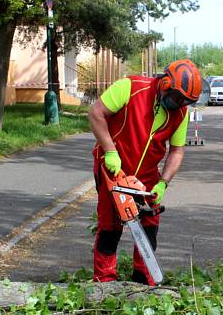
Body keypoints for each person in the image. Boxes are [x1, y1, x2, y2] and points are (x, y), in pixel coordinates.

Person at [87, 59, 203, 285]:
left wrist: (163, 183)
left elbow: (177, 151)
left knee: (149, 227)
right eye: (178, 99)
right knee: (110, 227)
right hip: (114, 168)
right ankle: (104, 281)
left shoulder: (180, 114)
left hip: (147, 176)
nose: (179, 105)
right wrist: (110, 151)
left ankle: (142, 281)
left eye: (185, 102)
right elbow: (95, 113)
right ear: (166, 83)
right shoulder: (130, 87)